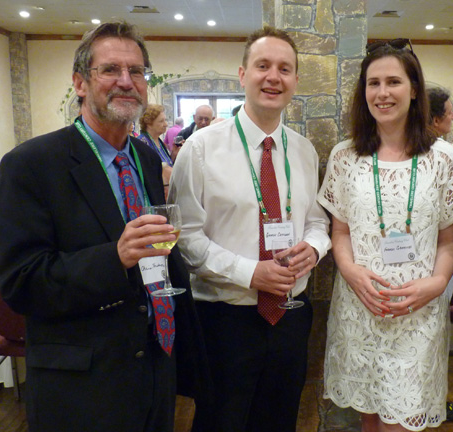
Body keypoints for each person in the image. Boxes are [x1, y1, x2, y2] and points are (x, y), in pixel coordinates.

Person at [0, 20, 210, 432]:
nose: (126, 82)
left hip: (153, 369)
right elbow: (20, 282)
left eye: (136, 72)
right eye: (110, 70)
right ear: (79, 83)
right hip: (82, 386)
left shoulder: (145, 161)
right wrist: (116, 257)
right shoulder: (31, 164)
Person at [168, 26, 331, 432]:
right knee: (219, 422)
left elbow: (316, 221)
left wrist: (314, 248)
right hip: (225, 320)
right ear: (243, 75)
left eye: (285, 69)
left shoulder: (304, 150)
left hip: (291, 317)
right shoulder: (201, 149)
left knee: (279, 422)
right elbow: (185, 237)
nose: (273, 77)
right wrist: (250, 272)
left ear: (295, 81)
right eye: (263, 66)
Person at [317, 39, 453, 430]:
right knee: (370, 420)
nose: (382, 93)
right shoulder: (344, 156)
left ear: (414, 88)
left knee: (403, 420)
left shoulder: (444, 158)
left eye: (393, 82)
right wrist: (351, 272)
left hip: (417, 312)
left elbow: (449, 241)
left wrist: (436, 284)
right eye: (373, 83)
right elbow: (339, 230)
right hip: (360, 307)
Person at [426, 85, 453, 423]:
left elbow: (451, 228)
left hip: (439, 264)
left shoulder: (446, 155)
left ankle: (434, 401)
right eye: (449, 113)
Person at [139, 104, 174, 196]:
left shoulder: (160, 142)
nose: (166, 124)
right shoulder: (142, 143)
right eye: (161, 121)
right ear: (149, 124)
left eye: (165, 120)